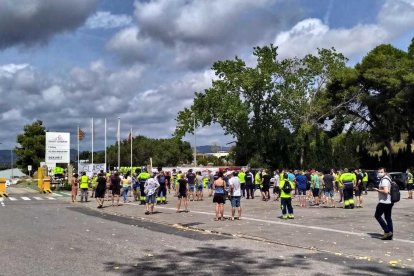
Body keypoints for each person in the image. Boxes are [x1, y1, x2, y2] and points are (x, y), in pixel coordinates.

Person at [373, 167, 394, 240]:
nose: (379, 173)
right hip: (389, 201)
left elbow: (385, 191)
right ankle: (390, 234)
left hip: (384, 202)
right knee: (388, 218)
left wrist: (378, 190)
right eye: (378, 172)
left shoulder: (384, 180)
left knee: (377, 215)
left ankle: (387, 231)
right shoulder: (388, 178)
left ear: (385, 172)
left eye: (381, 172)